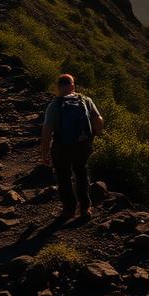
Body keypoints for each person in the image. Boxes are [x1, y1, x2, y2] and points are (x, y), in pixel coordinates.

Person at [39, 73, 105, 220]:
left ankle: (69, 210)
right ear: (72, 85)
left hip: (62, 147)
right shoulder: (85, 100)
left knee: (64, 178)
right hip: (83, 146)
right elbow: (98, 119)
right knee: (81, 174)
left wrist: (44, 153)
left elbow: (47, 131)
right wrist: (95, 135)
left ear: (58, 87)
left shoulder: (55, 105)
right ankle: (85, 208)